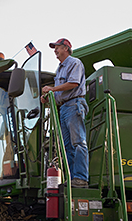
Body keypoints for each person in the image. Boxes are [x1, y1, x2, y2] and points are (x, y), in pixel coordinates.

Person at [41, 38, 89, 188]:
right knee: (67, 146)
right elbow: (60, 93)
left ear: (66, 48)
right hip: (64, 108)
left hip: (75, 105)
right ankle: (72, 178)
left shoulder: (74, 63)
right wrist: (48, 99)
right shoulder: (60, 69)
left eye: (57, 47)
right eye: (54, 48)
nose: (55, 50)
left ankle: (81, 178)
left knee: (78, 142)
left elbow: (74, 83)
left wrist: (52, 89)